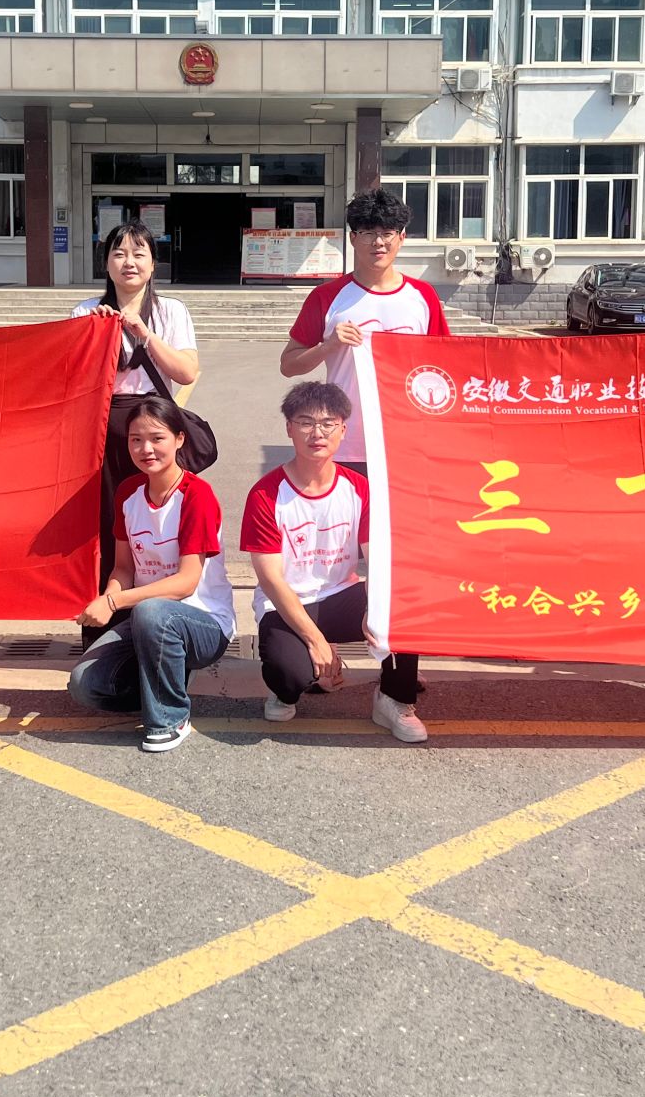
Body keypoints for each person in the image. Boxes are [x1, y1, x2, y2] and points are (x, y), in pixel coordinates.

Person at [242, 382, 426, 743]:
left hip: (341, 594)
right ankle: (292, 685)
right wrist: (316, 642)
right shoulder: (266, 494)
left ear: (343, 429)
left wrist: (376, 607)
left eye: (328, 423)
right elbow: (271, 580)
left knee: (402, 604)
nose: (317, 433)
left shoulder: (360, 488)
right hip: (287, 602)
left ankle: (393, 699)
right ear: (289, 428)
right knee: (290, 677)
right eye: (306, 422)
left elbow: (379, 561)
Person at [69, 395, 234, 753]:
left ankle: (171, 718)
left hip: (203, 622)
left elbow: (186, 582)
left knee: (151, 610)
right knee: (85, 685)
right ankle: (160, 684)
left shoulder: (197, 495)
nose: (146, 449)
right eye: (136, 440)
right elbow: (124, 568)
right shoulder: (128, 492)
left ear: (179, 439)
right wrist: (107, 598)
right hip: (148, 621)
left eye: (157, 438)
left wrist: (114, 602)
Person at [280, 189, 450, 476]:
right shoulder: (327, 297)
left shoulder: (423, 296)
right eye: (368, 232)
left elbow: (446, 365)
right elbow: (288, 366)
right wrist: (328, 346)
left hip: (408, 438)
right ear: (353, 238)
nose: (378, 242)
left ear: (402, 237)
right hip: (346, 441)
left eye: (387, 233)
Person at [73, 220, 200, 600]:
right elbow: (72, 380)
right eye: (119, 253)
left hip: (154, 428)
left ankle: (159, 610)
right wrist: (94, 337)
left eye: (138, 253)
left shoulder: (170, 311)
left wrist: (145, 333)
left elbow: (186, 371)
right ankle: (104, 614)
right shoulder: (84, 312)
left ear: (153, 263)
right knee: (105, 521)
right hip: (100, 433)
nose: (129, 262)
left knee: (159, 518)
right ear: (106, 263)